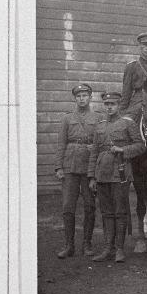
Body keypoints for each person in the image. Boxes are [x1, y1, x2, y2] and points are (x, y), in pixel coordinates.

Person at [88, 92, 146, 264]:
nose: (109, 107)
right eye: (107, 104)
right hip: (102, 173)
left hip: (120, 172)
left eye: (112, 104)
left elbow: (141, 146)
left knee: (120, 211)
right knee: (106, 212)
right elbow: (94, 152)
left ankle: (119, 249)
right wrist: (92, 176)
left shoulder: (128, 123)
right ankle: (108, 248)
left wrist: (123, 150)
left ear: (119, 105)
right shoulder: (100, 125)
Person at [54, 84, 99, 258]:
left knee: (90, 206)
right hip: (70, 166)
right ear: (75, 98)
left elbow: (101, 141)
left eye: (85, 95)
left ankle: (87, 244)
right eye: (79, 96)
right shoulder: (67, 119)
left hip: (89, 166)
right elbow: (61, 144)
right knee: (67, 207)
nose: (82, 99)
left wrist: (94, 148)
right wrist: (59, 167)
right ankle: (69, 245)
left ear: (90, 97)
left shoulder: (98, 118)